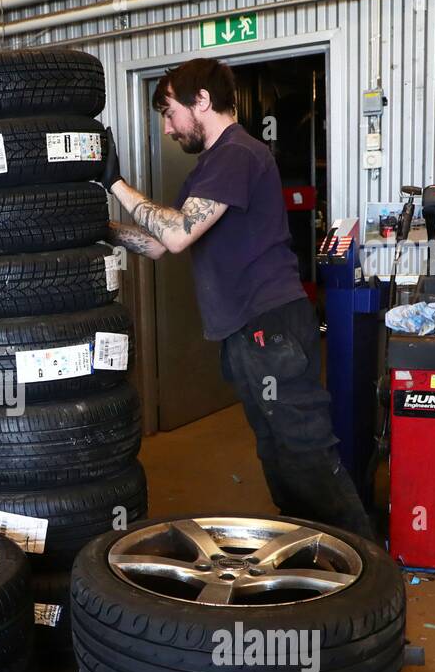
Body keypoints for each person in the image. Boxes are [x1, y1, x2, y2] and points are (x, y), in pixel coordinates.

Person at [101, 58, 375, 540]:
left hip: (271, 328)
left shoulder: (237, 154)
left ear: (201, 101)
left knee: (305, 454)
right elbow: (162, 244)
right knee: (280, 458)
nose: (167, 129)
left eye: (169, 113)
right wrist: (98, 230)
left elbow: (180, 233)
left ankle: (365, 572)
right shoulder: (209, 167)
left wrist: (116, 184)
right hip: (247, 335)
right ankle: (317, 560)